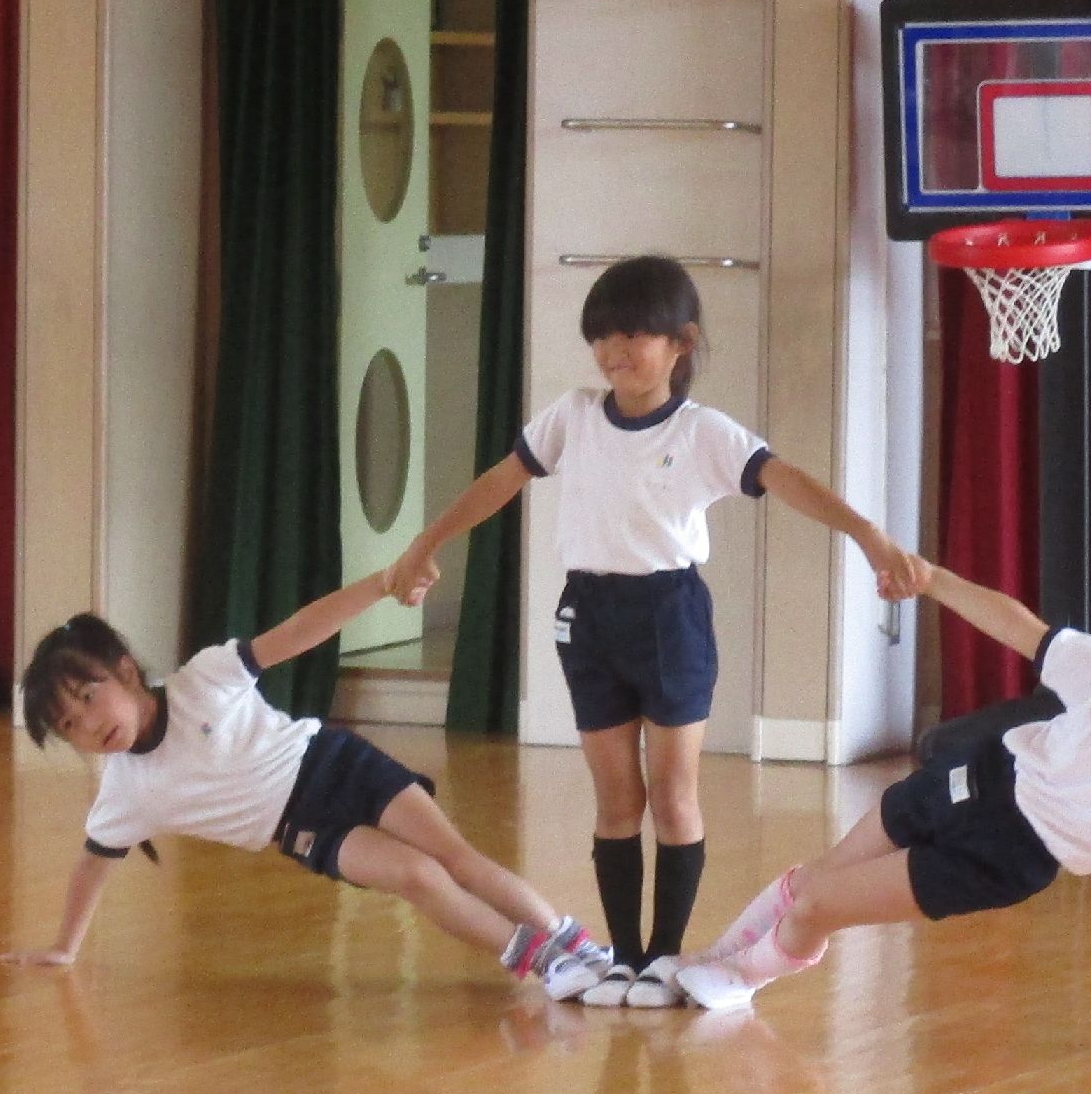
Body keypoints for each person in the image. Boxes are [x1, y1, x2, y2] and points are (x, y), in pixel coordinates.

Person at [390, 256, 926, 1009]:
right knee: (616, 800)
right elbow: (500, 481)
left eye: (633, 334)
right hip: (588, 616)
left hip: (670, 617)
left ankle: (665, 956)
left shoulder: (703, 431)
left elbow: (790, 481)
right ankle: (625, 957)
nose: (614, 351)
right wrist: (427, 542)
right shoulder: (572, 416)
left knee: (673, 797)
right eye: (602, 336)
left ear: (682, 342)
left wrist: (871, 537)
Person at [672, 563, 1091, 1060]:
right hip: (979, 778)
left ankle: (742, 980)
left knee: (816, 908)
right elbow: (1020, 626)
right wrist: (933, 579)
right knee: (814, 879)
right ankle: (714, 958)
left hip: (1003, 861)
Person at [8, 562, 613, 996]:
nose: (89, 724)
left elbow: (299, 631)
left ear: (126, 671)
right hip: (302, 827)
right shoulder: (125, 791)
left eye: (88, 697)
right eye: (69, 725)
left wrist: (382, 583)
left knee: (455, 857)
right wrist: (65, 946)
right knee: (419, 876)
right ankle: (542, 962)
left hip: (335, 762)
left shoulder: (206, 678)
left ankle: (574, 943)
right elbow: (92, 865)